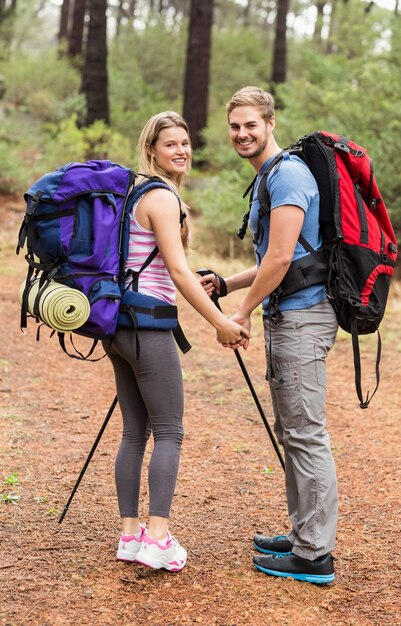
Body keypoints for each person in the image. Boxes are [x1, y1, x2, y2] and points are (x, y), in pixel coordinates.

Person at [200, 87, 338, 584]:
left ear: (270, 123)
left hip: (303, 320)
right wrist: (226, 282)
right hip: (288, 317)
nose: (241, 134)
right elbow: (277, 259)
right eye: (234, 126)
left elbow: (280, 260)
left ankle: (314, 555)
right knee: (294, 432)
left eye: (250, 125)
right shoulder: (270, 176)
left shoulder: (290, 175)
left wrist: (237, 313)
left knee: (305, 433)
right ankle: (305, 536)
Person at [105, 111, 248, 573]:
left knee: (133, 432)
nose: (182, 151)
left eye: (185, 142)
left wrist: (196, 275)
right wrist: (220, 323)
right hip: (149, 327)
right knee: (169, 431)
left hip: (119, 325)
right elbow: (179, 272)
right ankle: (159, 538)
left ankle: (130, 535)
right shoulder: (163, 197)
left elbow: (163, 264)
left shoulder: (133, 194)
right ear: (152, 150)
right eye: (171, 144)